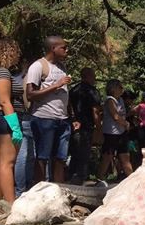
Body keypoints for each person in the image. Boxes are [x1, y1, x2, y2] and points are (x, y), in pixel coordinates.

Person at [25, 36, 72, 184]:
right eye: (63, 48)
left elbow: (65, 92)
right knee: (43, 157)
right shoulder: (38, 66)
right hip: (44, 118)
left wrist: (72, 116)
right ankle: (39, 190)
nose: (66, 51)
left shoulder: (62, 67)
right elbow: (30, 94)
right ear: (53, 48)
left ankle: (59, 190)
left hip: (63, 119)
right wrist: (55, 85)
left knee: (60, 157)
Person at [0, 38, 25, 204]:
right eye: (15, 51)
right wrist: (15, 126)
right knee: (7, 163)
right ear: (8, 52)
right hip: (5, 118)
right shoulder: (2, 73)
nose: (17, 55)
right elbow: (5, 101)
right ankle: (10, 203)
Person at [68, 67, 102, 184]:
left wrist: (72, 119)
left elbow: (68, 107)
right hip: (86, 127)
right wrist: (98, 128)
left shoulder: (73, 90)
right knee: (83, 156)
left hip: (73, 126)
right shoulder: (92, 91)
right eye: (93, 75)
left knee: (74, 155)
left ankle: (71, 178)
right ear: (87, 76)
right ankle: (80, 181)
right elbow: (95, 111)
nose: (95, 78)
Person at [97, 79, 133, 182]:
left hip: (121, 133)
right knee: (108, 157)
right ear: (113, 89)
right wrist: (126, 124)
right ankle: (100, 179)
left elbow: (122, 114)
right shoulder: (110, 100)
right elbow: (115, 116)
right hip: (111, 133)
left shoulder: (120, 100)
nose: (122, 89)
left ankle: (132, 180)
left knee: (125, 157)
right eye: (120, 87)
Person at [12, 65, 35, 198]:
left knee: (28, 155)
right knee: (24, 155)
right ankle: (21, 190)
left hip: (23, 116)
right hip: (24, 116)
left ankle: (24, 188)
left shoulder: (14, 78)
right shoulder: (25, 79)